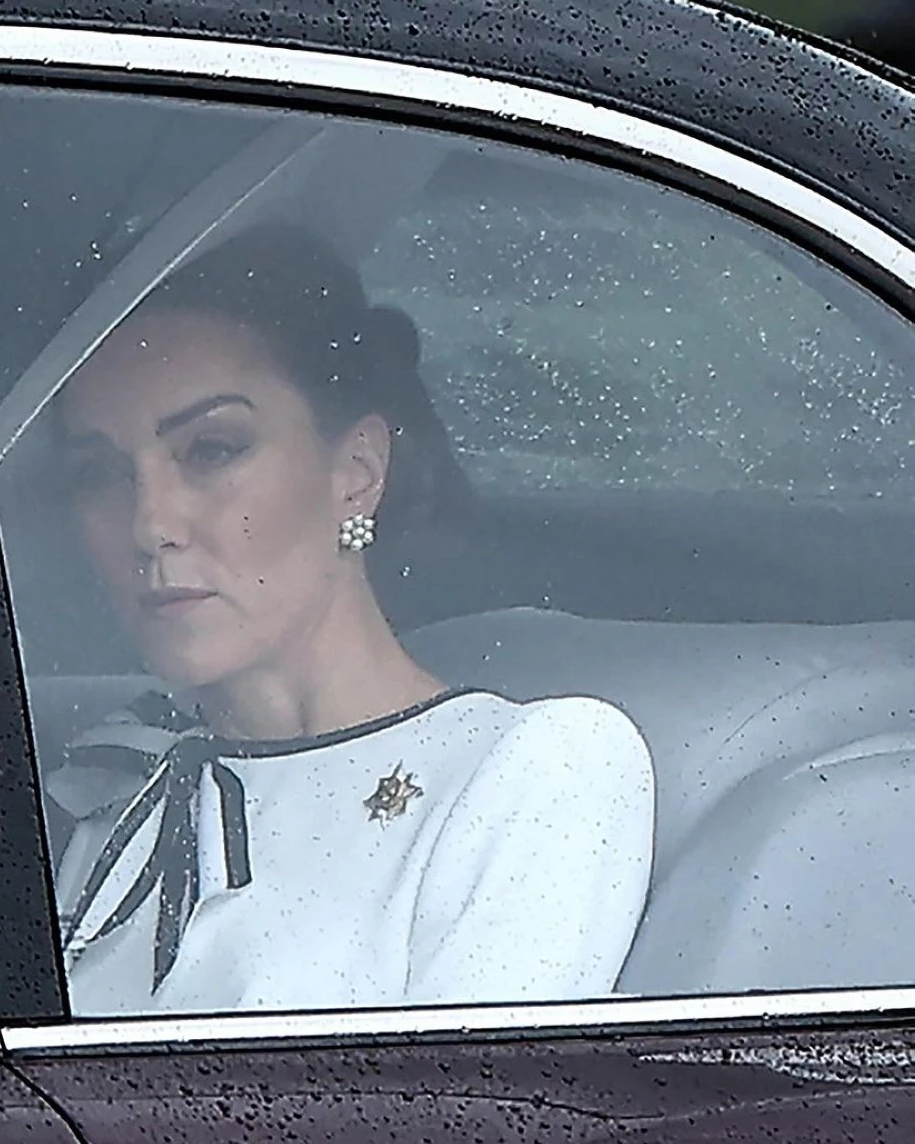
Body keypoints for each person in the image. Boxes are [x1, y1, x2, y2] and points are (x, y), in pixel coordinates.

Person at [48, 224, 655, 1015]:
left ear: (357, 472)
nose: (149, 523)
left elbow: (472, 1124)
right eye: (101, 474)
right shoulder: (123, 778)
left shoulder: (531, 771)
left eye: (212, 450)